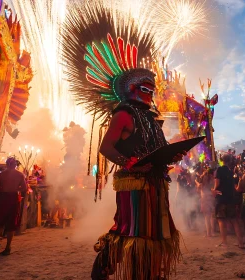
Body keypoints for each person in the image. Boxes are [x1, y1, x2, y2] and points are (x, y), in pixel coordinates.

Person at [62, 6, 185, 279]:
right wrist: (131, 164)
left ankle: (150, 273)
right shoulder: (124, 114)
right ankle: (103, 271)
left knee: (155, 232)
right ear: (131, 89)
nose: (151, 93)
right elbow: (106, 148)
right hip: (134, 183)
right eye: (145, 88)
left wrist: (172, 156)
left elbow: (158, 149)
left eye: (152, 90)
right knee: (131, 229)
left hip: (155, 183)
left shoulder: (152, 119)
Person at [0, 157, 27, 256]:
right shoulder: (20, 175)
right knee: (11, 222)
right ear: (15, 165)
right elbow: (24, 188)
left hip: (4, 198)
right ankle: (8, 247)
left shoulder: (1, 175)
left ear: (6, 164)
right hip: (13, 198)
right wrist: (16, 188)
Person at [214, 154, 244, 248]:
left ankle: (224, 243)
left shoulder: (219, 170)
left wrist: (213, 190)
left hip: (221, 198)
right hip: (230, 198)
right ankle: (240, 243)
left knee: (221, 220)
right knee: (234, 220)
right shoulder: (230, 171)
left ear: (222, 160)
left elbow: (217, 184)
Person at [198, 166, 216, 237]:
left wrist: (197, 182)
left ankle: (209, 233)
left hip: (205, 198)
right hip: (211, 197)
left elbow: (200, 187)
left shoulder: (203, 178)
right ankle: (213, 232)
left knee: (207, 217)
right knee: (212, 215)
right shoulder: (212, 179)